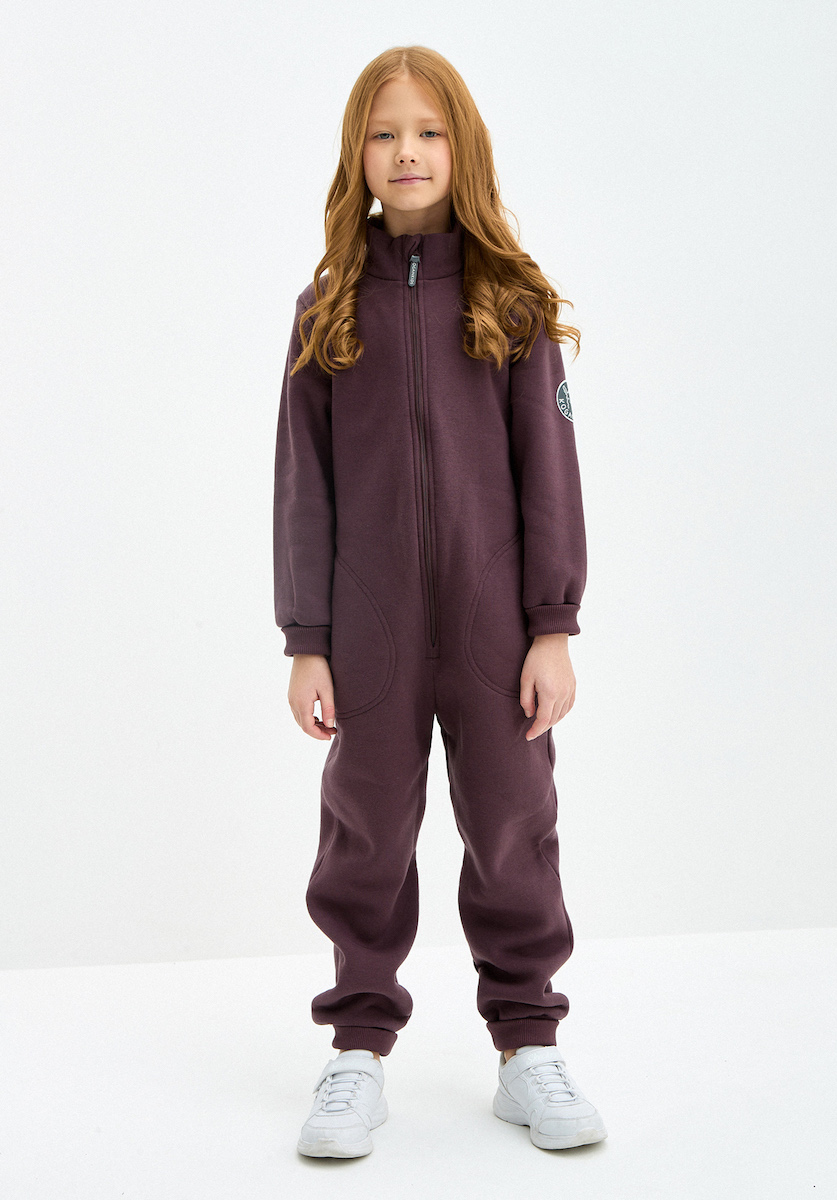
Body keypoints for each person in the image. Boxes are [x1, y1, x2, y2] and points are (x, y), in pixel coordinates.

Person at [273, 44, 608, 1158]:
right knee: (365, 831)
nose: (406, 151)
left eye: (427, 131)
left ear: (461, 148)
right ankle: (357, 1051)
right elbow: (303, 486)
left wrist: (552, 625)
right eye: (384, 133)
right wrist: (307, 639)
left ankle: (528, 1047)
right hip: (367, 626)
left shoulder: (513, 302)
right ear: (357, 155)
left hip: (493, 623)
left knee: (512, 823)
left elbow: (550, 473)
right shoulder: (326, 309)